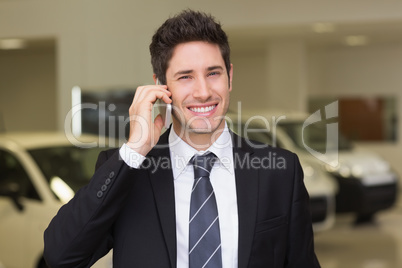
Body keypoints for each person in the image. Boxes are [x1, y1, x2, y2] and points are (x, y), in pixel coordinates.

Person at [44, 9, 321, 268]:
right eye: (185, 77)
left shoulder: (280, 172)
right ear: (161, 85)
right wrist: (134, 150)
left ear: (230, 76)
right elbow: (61, 256)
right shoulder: (128, 171)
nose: (202, 92)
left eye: (213, 73)